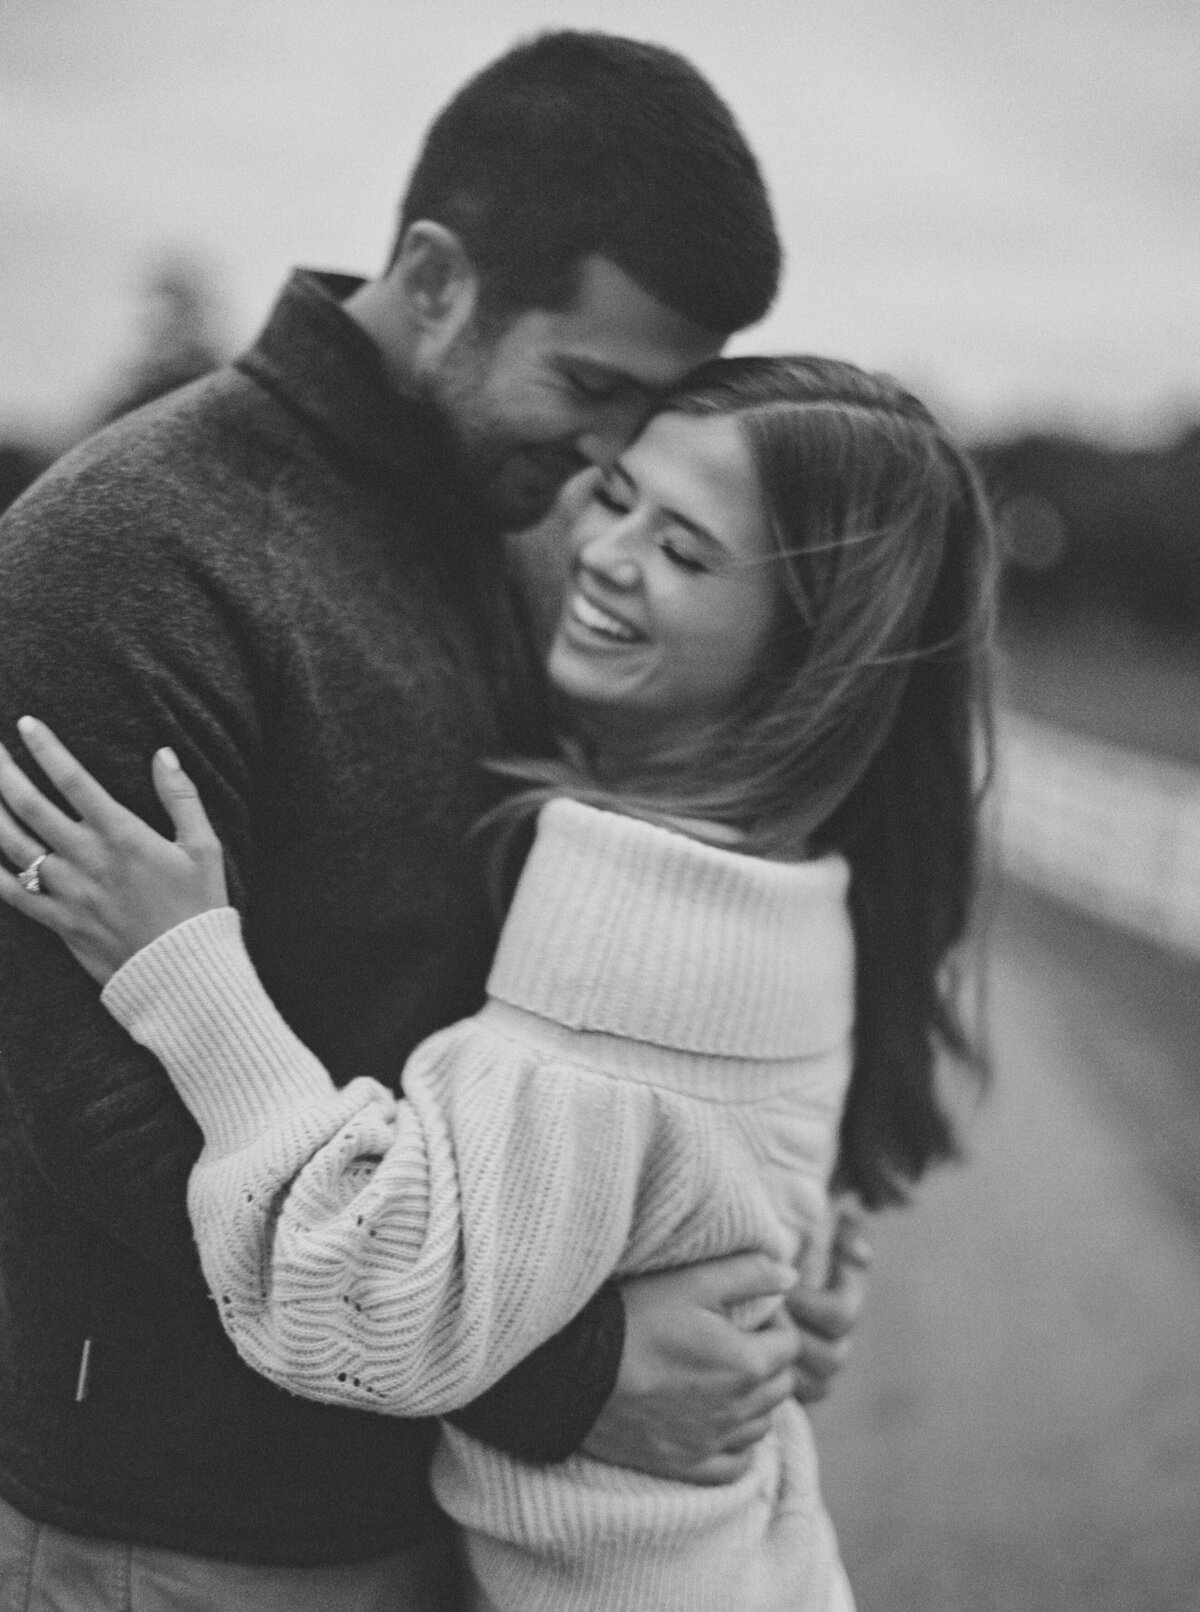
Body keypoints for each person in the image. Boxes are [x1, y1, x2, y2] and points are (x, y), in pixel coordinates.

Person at [0, 31, 867, 1612]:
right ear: (437, 275)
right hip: (192, 1531)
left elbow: (570, 1029)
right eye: (592, 385)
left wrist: (748, 1257)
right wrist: (573, 1375)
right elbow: (92, 1113)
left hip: (455, 1511)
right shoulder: (121, 557)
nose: (608, 458)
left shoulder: (524, 531)